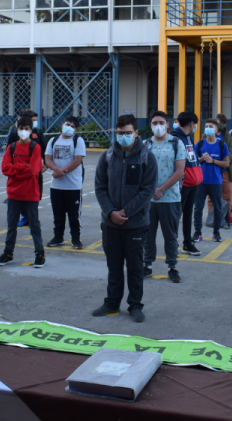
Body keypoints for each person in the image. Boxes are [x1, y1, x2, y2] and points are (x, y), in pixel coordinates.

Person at [91, 114, 158, 322]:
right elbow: (100, 188)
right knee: (114, 265)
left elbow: (147, 191)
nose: (124, 136)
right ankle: (111, 303)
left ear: (136, 133)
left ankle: (135, 305)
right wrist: (111, 212)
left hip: (136, 224)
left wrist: (126, 213)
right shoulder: (107, 156)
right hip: (110, 223)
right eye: (120, 133)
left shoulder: (147, 157)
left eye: (128, 133)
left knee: (136, 268)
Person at [0, 116, 45, 267]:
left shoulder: (35, 147)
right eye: (21, 129)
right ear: (16, 130)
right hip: (14, 193)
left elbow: (33, 171)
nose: (23, 132)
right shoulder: (12, 148)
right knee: (11, 225)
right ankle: (8, 252)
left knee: (34, 226)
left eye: (27, 129)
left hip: (30, 193)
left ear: (31, 131)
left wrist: (16, 170)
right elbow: (5, 168)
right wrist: (23, 166)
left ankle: (40, 254)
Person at [144, 111, 186, 283]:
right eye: (154, 123)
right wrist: (150, 190)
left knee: (170, 235)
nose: (158, 126)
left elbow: (179, 171)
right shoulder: (145, 144)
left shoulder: (176, 143)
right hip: (148, 200)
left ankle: (172, 266)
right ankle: (147, 265)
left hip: (170, 198)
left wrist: (161, 189)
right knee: (148, 235)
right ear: (151, 125)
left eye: (161, 122)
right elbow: (141, 169)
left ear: (168, 124)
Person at [45, 115, 86, 250]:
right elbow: (48, 159)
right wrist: (57, 170)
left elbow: (77, 160)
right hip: (56, 185)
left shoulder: (78, 141)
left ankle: (76, 239)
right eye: (68, 124)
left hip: (73, 186)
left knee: (74, 215)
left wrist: (63, 172)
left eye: (73, 126)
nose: (69, 127)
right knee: (58, 213)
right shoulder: (53, 140)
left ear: (75, 130)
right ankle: (58, 237)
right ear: (62, 124)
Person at [193, 119, 230, 243]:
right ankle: (197, 233)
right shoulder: (199, 144)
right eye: (206, 126)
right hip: (201, 182)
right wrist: (202, 159)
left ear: (216, 129)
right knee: (198, 208)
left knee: (217, 208)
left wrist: (213, 161)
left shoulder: (221, 145)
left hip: (216, 182)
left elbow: (226, 163)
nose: (208, 128)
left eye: (211, 126)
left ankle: (216, 233)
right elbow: (193, 162)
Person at [171, 111, 201, 256]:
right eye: (195, 123)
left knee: (188, 213)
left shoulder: (188, 137)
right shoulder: (176, 138)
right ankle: (173, 243)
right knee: (177, 213)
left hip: (192, 182)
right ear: (191, 123)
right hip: (183, 183)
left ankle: (187, 243)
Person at [7, 109, 47, 207]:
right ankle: (23, 213)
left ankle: (30, 215)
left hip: (34, 170)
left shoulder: (38, 132)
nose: (35, 122)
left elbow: (44, 149)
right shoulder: (15, 133)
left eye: (35, 120)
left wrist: (45, 164)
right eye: (33, 120)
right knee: (19, 193)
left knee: (35, 193)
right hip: (18, 170)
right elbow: (9, 153)